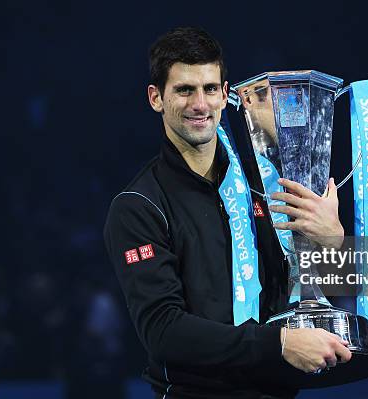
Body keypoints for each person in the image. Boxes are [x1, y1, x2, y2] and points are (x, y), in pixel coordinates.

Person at [104, 27, 351, 399]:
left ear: (225, 94)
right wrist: (277, 344)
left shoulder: (265, 183)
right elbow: (164, 331)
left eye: (209, 89)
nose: (199, 104)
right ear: (156, 98)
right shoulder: (139, 207)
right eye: (184, 90)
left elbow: (306, 283)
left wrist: (330, 242)